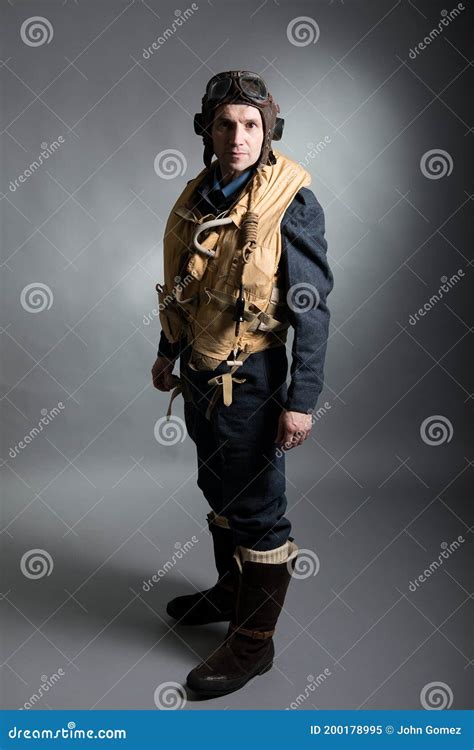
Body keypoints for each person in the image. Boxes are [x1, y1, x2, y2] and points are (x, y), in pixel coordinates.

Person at [151, 70, 334, 698]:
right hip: (200, 374)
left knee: (257, 508)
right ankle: (231, 592)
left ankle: (254, 643)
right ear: (207, 129)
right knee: (219, 488)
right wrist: (166, 352)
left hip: (252, 380)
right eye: (225, 124)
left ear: (269, 130)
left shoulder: (292, 200)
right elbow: (186, 286)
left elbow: (311, 305)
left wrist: (301, 402)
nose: (238, 136)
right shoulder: (201, 195)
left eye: (251, 125)